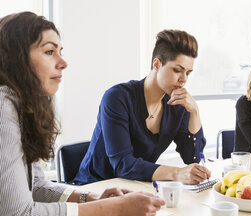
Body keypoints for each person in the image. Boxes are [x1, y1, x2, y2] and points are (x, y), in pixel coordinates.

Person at [0, 11, 164, 216]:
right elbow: (18, 213)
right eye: (50, 52)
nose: (63, 62)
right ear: (17, 59)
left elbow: (37, 185)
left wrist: (89, 198)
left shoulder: (21, 106)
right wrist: (115, 208)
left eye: (60, 51)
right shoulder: (3, 107)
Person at [74, 29, 211, 185]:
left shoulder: (177, 104)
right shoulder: (117, 98)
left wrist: (194, 112)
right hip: (94, 188)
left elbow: (192, 159)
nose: (183, 79)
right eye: (177, 70)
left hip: (136, 188)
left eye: (188, 73)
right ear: (157, 64)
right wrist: (177, 173)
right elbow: (122, 164)